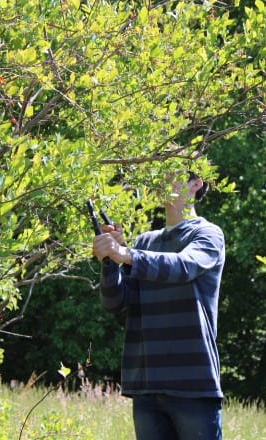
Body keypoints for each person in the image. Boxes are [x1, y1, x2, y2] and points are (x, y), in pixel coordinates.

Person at [92, 171, 225, 440]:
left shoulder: (208, 234)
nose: (161, 181)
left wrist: (126, 254)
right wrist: (110, 261)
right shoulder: (145, 242)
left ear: (196, 184)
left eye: (171, 175)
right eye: (159, 176)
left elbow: (183, 266)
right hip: (146, 385)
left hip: (193, 384)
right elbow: (114, 302)